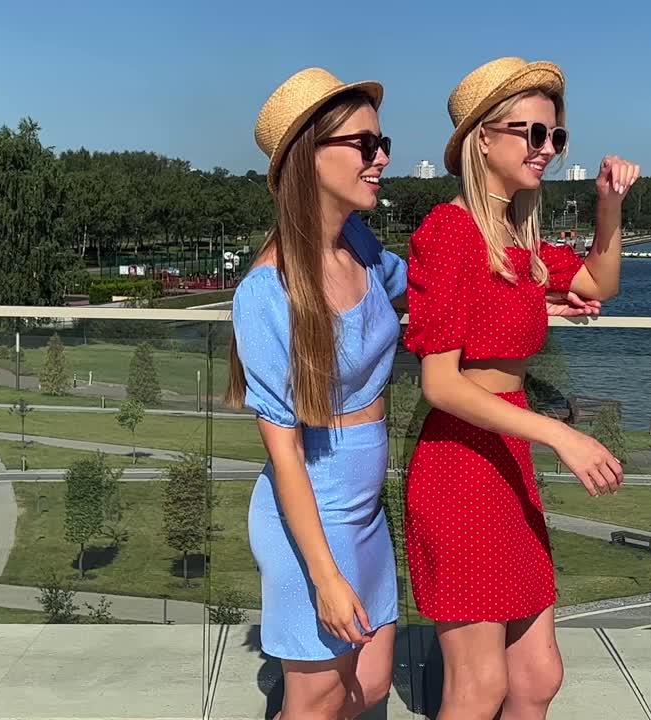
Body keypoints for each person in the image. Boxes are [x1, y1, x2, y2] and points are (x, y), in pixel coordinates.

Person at [403, 57, 640, 719]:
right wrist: (561, 432)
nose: (546, 148)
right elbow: (442, 384)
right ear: (483, 137)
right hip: (460, 463)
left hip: (507, 455)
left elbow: (600, 282)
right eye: (530, 133)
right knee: (478, 689)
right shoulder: (449, 233)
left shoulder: (517, 237)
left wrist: (609, 205)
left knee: (535, 677)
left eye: (555, 136)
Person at [226, 67, 404, 719]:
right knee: (317, 700)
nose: (381, 157)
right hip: (313, 513)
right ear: (310, 155)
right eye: (364, 145)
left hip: (366, 508)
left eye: (381, 142)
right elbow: (284, 454)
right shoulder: (267, 293)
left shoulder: (356, 243)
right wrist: (325, 578)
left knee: (372, 682)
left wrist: (549, 294)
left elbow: (421, 292)